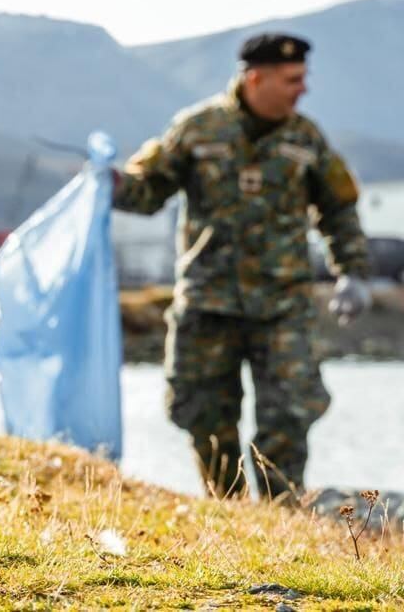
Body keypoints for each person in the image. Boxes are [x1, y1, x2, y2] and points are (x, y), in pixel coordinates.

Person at [112, 33, 370, 500]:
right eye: (292, 79)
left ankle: (283, 515)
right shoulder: (197, 130)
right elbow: (146, 193)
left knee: (290, 415)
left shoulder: (306, 138)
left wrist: (350, 271)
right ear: (256, 78)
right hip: (209, 302)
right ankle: (226, 517)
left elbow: (339, 208)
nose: (302, 89)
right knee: (205, 416)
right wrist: (108, 182)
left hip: (283, 306)